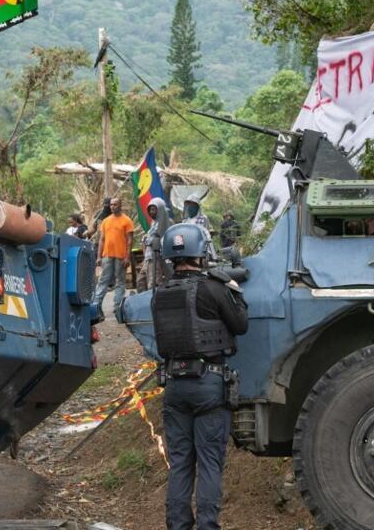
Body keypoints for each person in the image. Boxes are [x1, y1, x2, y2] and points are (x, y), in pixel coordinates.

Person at [151, 223, 248, 530]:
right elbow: (240, 324)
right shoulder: (215, 287)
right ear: (202, 252)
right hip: (208, 384)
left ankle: (177, 526)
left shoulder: (159, 294)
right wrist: (235, 289)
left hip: (175, 387)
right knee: (209, 463)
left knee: (180, 464)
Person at [91, 198, 134, 314]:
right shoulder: (106, 221)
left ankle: (117, 307)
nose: (112, 207)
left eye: (115, 204)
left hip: (121, 256)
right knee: (103, 280)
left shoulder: (127, 221)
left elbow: (130, 240)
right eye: (111, 205)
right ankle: (96, 305)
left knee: (120, 282)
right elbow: (102, 239)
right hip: (107, 255)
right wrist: (99, 256)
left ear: (120, 205)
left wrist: (127, 257)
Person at [143, 197, 173, 289]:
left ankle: (153, 300)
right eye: (150, 210)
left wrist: (147, 239)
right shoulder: (154, 223)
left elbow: (156, 239)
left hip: (158, 255)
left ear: (159, 209)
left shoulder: (166, 222)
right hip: (150, 256)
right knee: (145, 279)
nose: (151, 212)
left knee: (154, 281)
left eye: (153, 209)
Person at [182, 194, 216, 260]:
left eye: (192, 205)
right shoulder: (185, 221)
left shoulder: (203, 218)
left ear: (197, 207)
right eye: (189, 205)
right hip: (187, 247)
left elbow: (203, 233)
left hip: (199, 247)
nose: (190, 207)